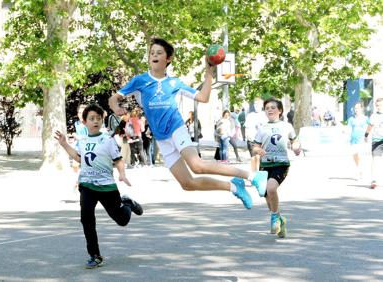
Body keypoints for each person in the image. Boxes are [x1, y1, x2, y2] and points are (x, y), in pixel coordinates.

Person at [109, 37, 268, 209]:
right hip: (162, 138)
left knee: (197, 166)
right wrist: (116, 108)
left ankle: (253, 176)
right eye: (152, 53)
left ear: (167, 59)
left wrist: (208, 74)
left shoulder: (174, 83)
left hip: (176, 129)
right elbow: (113, 99)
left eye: (159, 53)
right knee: (187, 183)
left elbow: (203, 98)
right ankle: (234, 186)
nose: (154, 55)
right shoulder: (139, 81)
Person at [54, 104, 143, 269]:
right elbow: (79, 158)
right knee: (86, 218)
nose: (95, 121)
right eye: (91, 118)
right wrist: (64, 144)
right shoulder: (83, 141)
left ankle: (128, 204)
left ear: (102, 120)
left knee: (122, 220)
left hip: (107, 187)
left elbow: (118, 160)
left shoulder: (107, 140)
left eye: (98, 118)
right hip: (87, 186)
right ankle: (95, 255)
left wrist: (122, 175)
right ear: (85, 122)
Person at [252, 98, 301, 238]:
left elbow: (294, 141)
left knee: (271, 188)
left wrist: (296, 148)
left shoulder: (287, 126)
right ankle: (280, 220)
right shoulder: (262, 129)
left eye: (273, 107)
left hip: (281, 164)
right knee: (267, 195)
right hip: (265, 165)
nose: (270, 110)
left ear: (280, 110)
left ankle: (274, 218)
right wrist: (258, 150)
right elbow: (255, 146)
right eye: (267, 108)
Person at [245, 97, 268, 172]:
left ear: (262, 105)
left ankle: (258, 173)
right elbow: (247, 127)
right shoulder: (250, 115)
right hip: (251, 139)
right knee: (253, 157)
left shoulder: (265, 115)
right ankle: (254, 174)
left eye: (258, 104)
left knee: (259, 157)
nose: (256, 106)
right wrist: (247, 136)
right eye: (255, 104)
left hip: (261, 140)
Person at [364, 97, 383, 189]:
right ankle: (374, 180)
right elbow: (370, 126)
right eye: (377, 105)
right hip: (376, 140)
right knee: (375, 159)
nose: (378, 107)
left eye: (380, 105)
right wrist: (366, 135)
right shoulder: (374, 116)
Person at [347, 102, 369, 180]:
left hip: (361, 140)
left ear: (361, 109)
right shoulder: (351, 119)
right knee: (355, 157)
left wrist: (367, 136)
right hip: (353, 140)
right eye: (355, 108)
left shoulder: (365, 118)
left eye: (358, 108)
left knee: (360, 156)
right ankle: (360, 171)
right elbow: (348, 129)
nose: (356, 110)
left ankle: (359, 172)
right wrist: (345, 132)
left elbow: (370, 126)